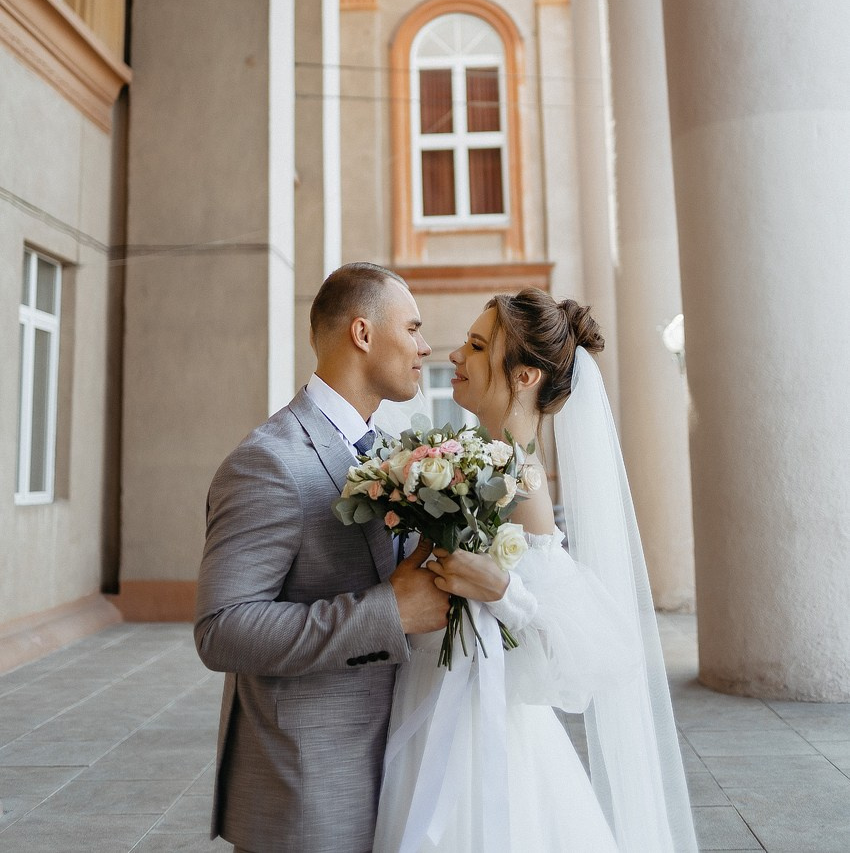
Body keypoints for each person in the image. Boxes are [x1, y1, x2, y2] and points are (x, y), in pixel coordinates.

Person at [373, 288, 698, 853]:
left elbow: (567, 653)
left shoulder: (523, 482)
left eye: (477, 346)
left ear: (524, 377)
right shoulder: (467, 462)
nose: (455, 355)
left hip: (476, 726)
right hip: (427, 695)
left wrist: (502, 590)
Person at [194, 263, 449, 853]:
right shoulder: (268, 463)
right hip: (307, 792)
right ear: (362, 334)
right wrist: (389, 612)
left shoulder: (391, 454)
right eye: (412, 329)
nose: (425, 346)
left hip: (395, 770)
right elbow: (221, 629)